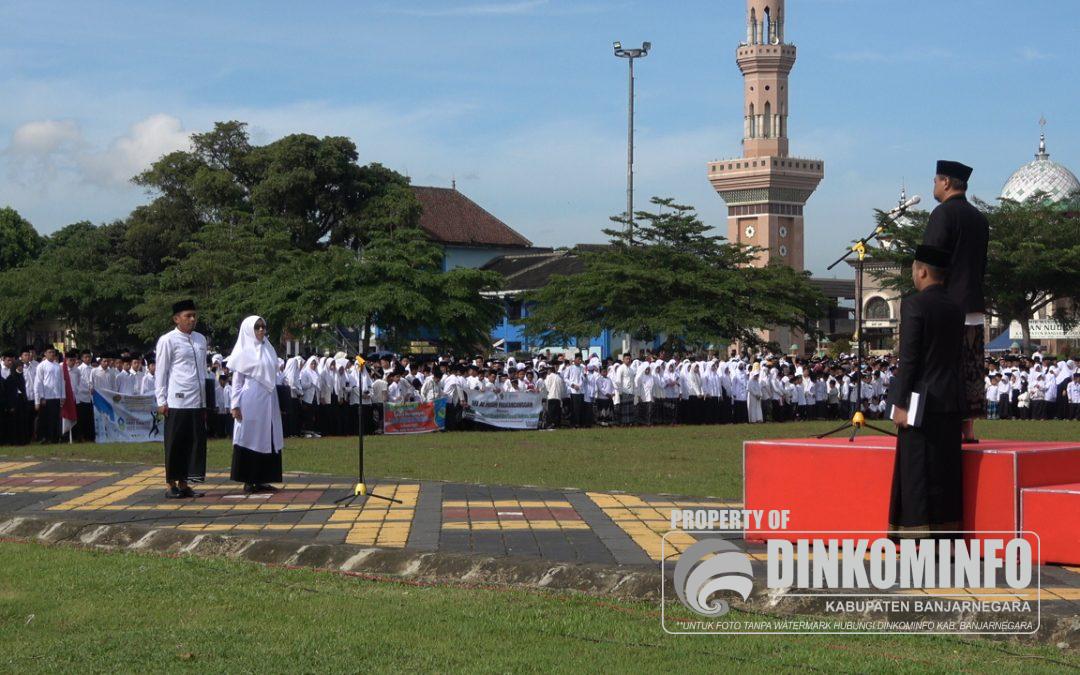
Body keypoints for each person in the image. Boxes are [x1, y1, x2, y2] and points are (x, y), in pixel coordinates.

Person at [887, 245, 965, 538]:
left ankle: (915, 536)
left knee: (915, 471)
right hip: (949, 400)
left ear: (921, 271)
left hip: (920, 402)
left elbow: (910, 358)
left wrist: (899, 401)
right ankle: (947, 538)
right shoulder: (956, 307)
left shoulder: (914, 305)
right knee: (945, 472)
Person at [922, 160, 989, 443]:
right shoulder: (979, 218)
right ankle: (968, 429)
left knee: (942, 368)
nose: (934, 186)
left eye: (936, 181)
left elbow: (929, 262)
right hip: (972, 303)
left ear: (946, 182)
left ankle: (942, 426)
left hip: (946, 305)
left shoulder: (942, 214)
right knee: (971, 369)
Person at [154, 299, 209, 499]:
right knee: (175, 443)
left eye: (194, 315)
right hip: (177, 399)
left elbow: (203, 370)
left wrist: (205, 400)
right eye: (188, 316)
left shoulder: (200, 339)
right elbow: (161, 371)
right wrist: (161, 400)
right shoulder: (168, 340)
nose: (192, 319)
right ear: (176, 319)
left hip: (197, 399)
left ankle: (185, 483)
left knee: (193, 443)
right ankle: (171, 485)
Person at [226, 316, 284, 494]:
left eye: (263, 326)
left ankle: (264, 478)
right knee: (250, 436)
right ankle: (249, 479)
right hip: (250, 398)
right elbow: (237, 381)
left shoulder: (268, 348)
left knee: (268, 435)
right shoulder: (243, 351)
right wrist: (235, 405)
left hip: (269, 398)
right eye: (257, 327)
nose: (261, 330)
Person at [33, 347, 65, 444]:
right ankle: (45, 438)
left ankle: (55, 438)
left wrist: (63, 395)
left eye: (53, 352)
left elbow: (62, 381)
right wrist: (40, 397)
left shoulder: (58, 366)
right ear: (45, 354)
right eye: (50, 352)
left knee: (55, 418)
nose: (52, 354)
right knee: (46, 419)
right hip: (46, 397)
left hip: (56, 397)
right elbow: (38, 382)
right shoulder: (41, 366)